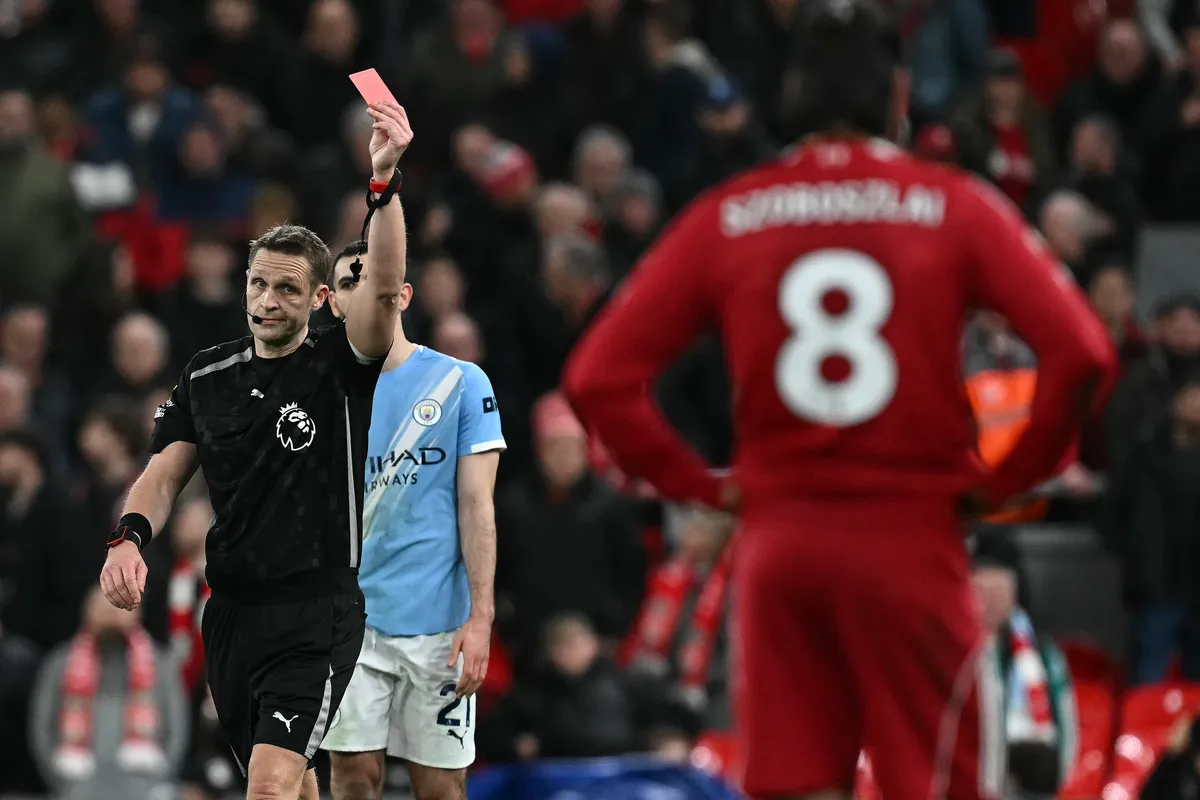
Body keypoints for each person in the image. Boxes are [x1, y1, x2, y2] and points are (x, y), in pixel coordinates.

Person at [562, 2, 1115, 799]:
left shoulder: (732, 213)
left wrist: (701, 485)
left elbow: (595, 379)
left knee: (793, 786)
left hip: (782, 544)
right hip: (911, 538)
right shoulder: (951, 204)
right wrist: (1006, 481)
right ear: (896, 91)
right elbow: (1085, 353)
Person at [97, 101, 415, 800]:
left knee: (268, 789)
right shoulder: (207, 376)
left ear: (320, 297)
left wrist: (383, 185)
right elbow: (163, 470)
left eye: (287, 289)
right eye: (258, 284)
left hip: (316, 612)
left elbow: (385, 287)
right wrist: (128, 538)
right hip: (232, 615)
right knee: (290, 787)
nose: (268, 300)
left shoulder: (342, 363)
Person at [319, 241, 506, 800]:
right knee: (354, 779)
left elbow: (478, 509)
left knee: (442, 788)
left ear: (401, 293)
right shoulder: (315, 393)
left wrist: (481, 618)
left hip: (440, 627)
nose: (364, 291)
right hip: (346, 625)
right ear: (330, 302)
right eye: (349, 282)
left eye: (375, 279)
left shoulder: (461, 383)